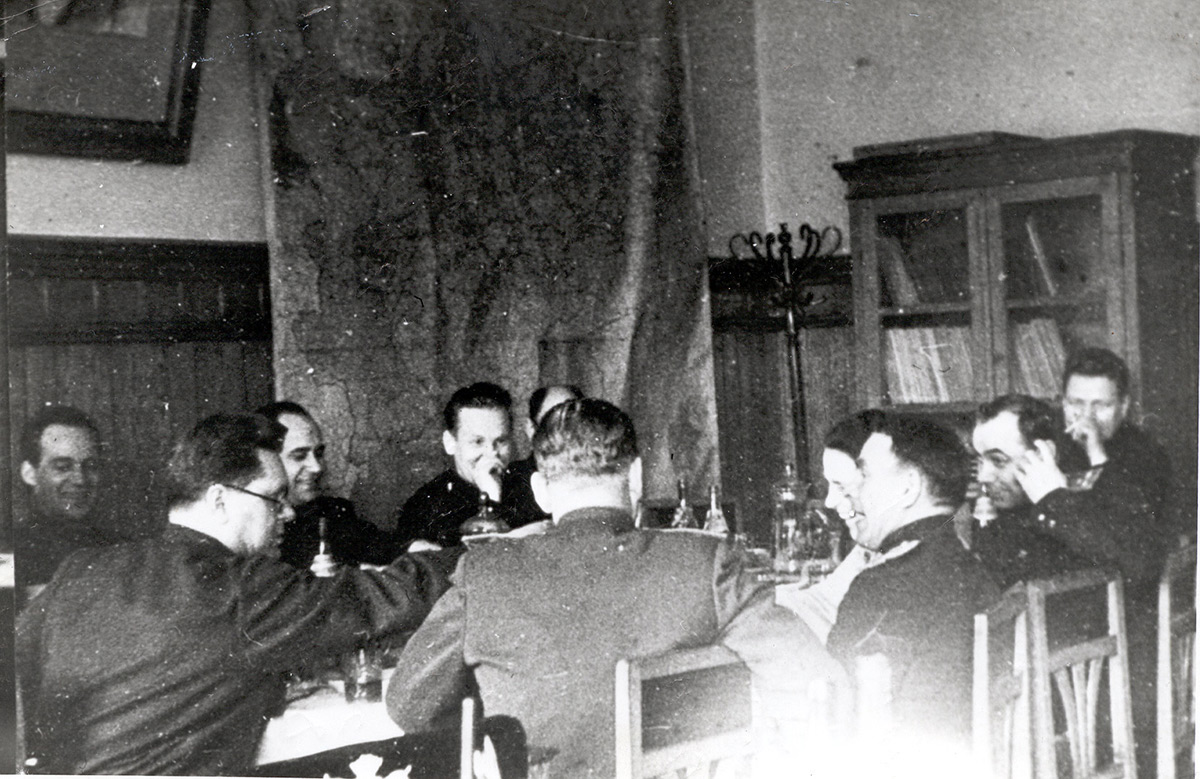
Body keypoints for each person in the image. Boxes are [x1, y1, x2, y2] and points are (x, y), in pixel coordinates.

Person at [386, 398, 846, 778]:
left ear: (541, 490)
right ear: (638, 477)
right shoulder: (709, 562)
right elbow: (816, 686)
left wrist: (499, 734)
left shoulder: (484, 571)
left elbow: (410, 705)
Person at [16, 413, 457, 776]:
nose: (288, 513)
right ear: (219, 500)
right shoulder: (243, 586)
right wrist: (482, 554)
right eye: (274, 498)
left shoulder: (83, 569)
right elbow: (385, 594)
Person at [824, 415, 1000, 746]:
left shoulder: (879, 587)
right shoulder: (969, 567)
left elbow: (837, 713)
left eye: (865, 476)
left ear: (907, 488)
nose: (853, 493)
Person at [971, 394, 1161, 590]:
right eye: (979, 461)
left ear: (1042, 453)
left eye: (998, 461)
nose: (983, 476)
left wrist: (1053, 500)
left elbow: (1142, 567)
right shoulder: (989, 508)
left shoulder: (1096, 497)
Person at [776, 409, 886, 642]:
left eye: (842, 486)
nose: (829, 501)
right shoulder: (870, 545)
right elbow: (822, 600)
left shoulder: (915, 557)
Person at [257, 401, 398, 569]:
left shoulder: (332, 512)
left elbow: (383, 546)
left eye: (318, 453)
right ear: (268, 460)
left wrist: (409, 547)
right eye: (299, 456)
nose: (317, 467)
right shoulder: (260, 530)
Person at [1060, 347, 1180, 539]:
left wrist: (1096, 453)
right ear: (1064, 403)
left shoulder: (1148, 455)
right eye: (1077, 403)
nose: (1087, 417)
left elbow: (1133, 534)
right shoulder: (1048, 440)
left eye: (1100, 405)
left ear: (1123, 407)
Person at [394, 382, 529, 549]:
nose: (491, 453)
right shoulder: (426, 507)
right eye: (477, 442)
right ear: (450, 443)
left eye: (500, 441)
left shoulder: (528, 487)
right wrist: (491, 501)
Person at [15, 405, 126, 590]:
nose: (80, 479)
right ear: (30, 474)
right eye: (63, 467)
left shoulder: (121, 552)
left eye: (90, 466)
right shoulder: (9, 553)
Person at [502, 384, 584, 525]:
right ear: (531, 429)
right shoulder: (512, 480)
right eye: (551, 424)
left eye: (570, 423)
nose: (563, 434)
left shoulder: (596, 474)